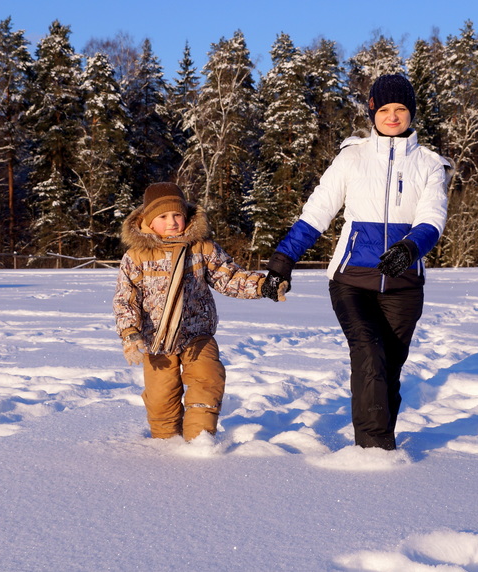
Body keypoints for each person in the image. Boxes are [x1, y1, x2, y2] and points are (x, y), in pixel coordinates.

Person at [261, 74, 452, 451]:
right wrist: (283, 260)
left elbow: (433, 220)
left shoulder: (429, 164)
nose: (393, 117)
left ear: (411, 113)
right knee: (368, 355)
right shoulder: (352, 157)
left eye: (400, 109)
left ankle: (381, 440)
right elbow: (316, 213)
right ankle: (375, 451)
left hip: (404, 285)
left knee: (388, 371)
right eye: (385, 109)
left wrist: (408, 249)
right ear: (372, 112)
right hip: (352, 280)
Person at [114, 182, 286, 441]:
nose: (172, 222)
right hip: (156, 340)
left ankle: (200, 440)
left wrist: (264, 286)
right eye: (163, 217)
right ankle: (165, 443)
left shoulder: (201, 247)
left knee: (208, 378)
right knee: (161, 399)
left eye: (177, 215)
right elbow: (126, 298)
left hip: (198, 335)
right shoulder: (136, 255)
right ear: (148, 221)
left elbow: (228, 277)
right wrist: (130, 333)